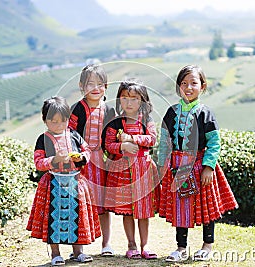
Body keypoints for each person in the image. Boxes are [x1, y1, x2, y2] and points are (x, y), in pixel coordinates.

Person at [157, 65, 238, 262]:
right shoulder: (171, 113)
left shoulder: (205, 113)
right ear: (178, 87)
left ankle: (207, 245)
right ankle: (181, 247)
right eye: (184, 83)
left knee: (206, 207)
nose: (188, 87)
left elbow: (214, 143)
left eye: (193, 83)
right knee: (180, 207)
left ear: (202, 86)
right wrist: (161, 167)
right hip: (177, 166)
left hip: (200, 167)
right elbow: (164, 141)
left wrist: (208, 167)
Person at [26, 96, 101, 266]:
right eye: (54, 121)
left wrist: (82, 157)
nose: (59, 125)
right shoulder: (43, 139)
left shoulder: (74, 135)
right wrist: (53, 159)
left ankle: (78, 252)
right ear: (45, 120)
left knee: (77, 216)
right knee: (54, 218)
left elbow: (87, 151)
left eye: (63, 121)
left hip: (75, 181)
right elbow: (38, 162)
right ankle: (55, 253)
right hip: (53, 184)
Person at [103, 79, 159, 260]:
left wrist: (131, 139)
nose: (129, 102)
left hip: (143, 170)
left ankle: (145, 244)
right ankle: (131, 244)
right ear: (119, 100)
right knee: (128, 210)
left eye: (134, 98)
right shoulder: (115, 123)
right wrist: (122, 147)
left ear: (142, 101)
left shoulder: (147, 121)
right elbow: (108, 144)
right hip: (123, 172)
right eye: (125, 98)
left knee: (143, 210)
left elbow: (152, 140)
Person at [68, 64, 116, 256]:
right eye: (90, 84)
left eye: (100, 84)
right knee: (79, 203)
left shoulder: (109, 109)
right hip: (81, 164)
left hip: (102, 163)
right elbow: (70, 135)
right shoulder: (77, 109)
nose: (95, 88)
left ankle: (106, 244)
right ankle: (78, 247)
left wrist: (112, 158)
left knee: (103, 206)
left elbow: (112, 137)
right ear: (81, 86)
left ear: (106, 86)